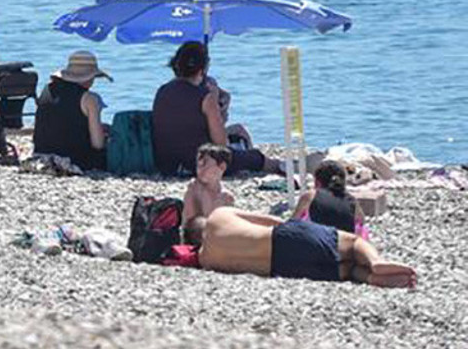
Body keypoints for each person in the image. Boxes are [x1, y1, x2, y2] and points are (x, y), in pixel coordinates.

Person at [198, 207, 415, 288]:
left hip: (280, 268)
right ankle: (376, 263)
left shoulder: (206, 261)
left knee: (347, 271)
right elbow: (273, 221)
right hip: (281, 239)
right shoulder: (219, 215)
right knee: (353, 243)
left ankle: (371, 278)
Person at [151, 41, 276, 176]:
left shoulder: (163, 90)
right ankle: (279, 167)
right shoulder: (206, 97)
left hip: (167, 164)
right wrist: (217, 107)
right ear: (203, 68)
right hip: (198, 164)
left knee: (237, 135)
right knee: (254, 157)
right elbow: (221, 144)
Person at [32, 50, 111, 170]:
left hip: (41, 157)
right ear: (90, 77)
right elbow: (98, 144)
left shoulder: (47, 90)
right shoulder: (90, 98)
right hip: (75, 159)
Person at [292, 159, 367, 236]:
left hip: (318, 244)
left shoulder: (310, 196)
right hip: (344, 245)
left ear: (317, 182)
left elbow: (292, 223)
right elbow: (361, 222)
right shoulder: (352, 200)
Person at [183, 144, 236, 227]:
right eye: (198, 165)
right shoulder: (194, 189)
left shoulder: (226, 197)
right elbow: (190, 223)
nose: (200, 169)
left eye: (204, 164)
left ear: (222, 166)